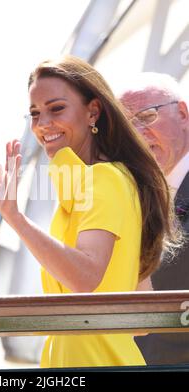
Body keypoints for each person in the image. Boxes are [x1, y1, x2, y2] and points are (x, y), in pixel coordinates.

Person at [0, 55, 180, 368]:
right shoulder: (97, 181)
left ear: (93, 111)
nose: (43, 124)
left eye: (57, 108)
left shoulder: (103, 179)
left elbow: (84, 278)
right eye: (35, 113)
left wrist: (15, 218)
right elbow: (144, 314)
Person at [119, 72, 189, 365]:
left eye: (146, 117)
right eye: (127, 125)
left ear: (183, 113)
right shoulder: (127, 191)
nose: (137, 132)